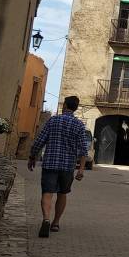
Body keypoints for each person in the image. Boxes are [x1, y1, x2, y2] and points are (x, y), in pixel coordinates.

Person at [28, 95, 90, 238]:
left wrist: (32, 157)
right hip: (67, 167)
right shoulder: (79, 125)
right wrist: (80, 169)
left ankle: (46, 219)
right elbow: (83, 150)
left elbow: (40, 140)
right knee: (62, 193)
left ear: (65, 106)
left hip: (50, 163)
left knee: (47, 193)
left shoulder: (53, 120)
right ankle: (56, 223)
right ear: (75, 108)